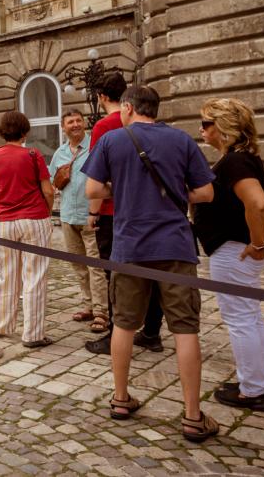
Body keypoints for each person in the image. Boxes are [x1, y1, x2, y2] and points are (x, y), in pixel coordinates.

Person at [83, 86, 217, 442]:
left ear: (127, 108)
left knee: (125, 324)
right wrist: (176, 190)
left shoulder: (113, 140)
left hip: (130, 246)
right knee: (185, 328)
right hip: (175, 245)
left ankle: (121, 398)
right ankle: (192, 416)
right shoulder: (181, 140)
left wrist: (123, 188)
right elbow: (206, 193)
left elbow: (92, 191)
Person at [195, 97, 264, 412]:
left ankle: (252, 390)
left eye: (206, 124)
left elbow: (258, 203)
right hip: (237, 249)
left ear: (223, 127)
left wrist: (256, 244)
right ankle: (258, 380)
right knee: (250, 316)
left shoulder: (235, 162)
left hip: (234, 251)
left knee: (240, 318)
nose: (202, 129)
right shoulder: (241, 158)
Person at [85, 72, 166, 356]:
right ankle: (152, 333)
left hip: (113, 211)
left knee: (114, 276)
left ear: (101, 97)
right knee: (154, 273)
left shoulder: (105, 126)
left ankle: (115, 334)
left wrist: (93, 213)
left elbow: (96, 181)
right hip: (150, 209)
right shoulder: (157, 128)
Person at [0, 110, 55, 348]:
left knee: (5, 274)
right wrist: (48, 210)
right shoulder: (34, 155)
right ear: (25, 131)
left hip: (5, 220)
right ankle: (33, 334)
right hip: (34, 217)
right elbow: (48, 190)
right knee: (35, 276)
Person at [49, 110, 107, 332]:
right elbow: (54, 181)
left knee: (95, 266)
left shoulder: (95, 146)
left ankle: (101, 312)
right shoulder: (60, 153)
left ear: (84, 124)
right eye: (70, 122)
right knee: (79, 265)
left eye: (78, 121)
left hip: (91, 215)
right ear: (63, 127)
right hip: (67, 215)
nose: (75, 125)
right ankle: (88, 305)